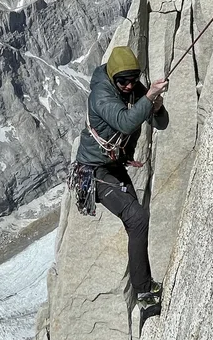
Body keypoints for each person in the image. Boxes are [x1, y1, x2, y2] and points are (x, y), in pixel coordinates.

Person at [72, 45, 169, 309]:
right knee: (137, 218)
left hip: (114, 167)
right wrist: (148, 97)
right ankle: (145, 292)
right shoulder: (100, 95)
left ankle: (144, 281)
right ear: (113, 77)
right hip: (94, 172)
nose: (128, 86)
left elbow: (160, 123)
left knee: (135, 222)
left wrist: (156, 107)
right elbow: (126, 122)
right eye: (123, 81)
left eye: (132, 80)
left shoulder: (133, 87)